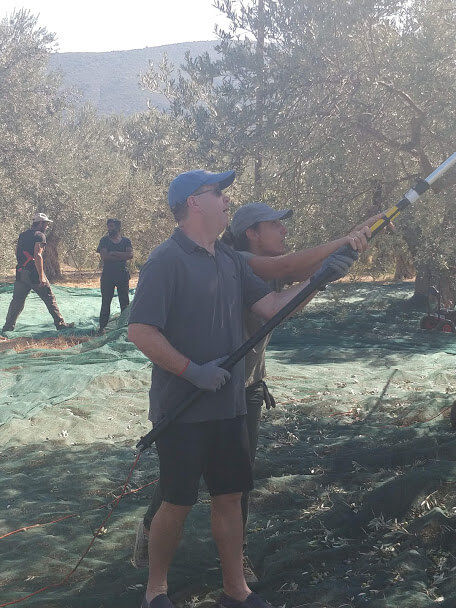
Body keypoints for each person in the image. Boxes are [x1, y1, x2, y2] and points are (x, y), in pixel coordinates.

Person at [127, 169, 359, 608]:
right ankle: (155, 590)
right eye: (219, 194)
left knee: (229, 498)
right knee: (176, 501)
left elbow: (271, 306)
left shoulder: (230, 262)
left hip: (231, 405)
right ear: (194, 202)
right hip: (184, 406)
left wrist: (317, 281)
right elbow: (140, 330)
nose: (226, 202)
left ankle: (236, 591)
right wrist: (192, 370)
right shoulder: (164, 261)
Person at [2, 213, 74, 334]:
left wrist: (22, 265)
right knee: (50, 298)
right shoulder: (40, 236)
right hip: (34, 273)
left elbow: (17, 251)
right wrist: (41, 277)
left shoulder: (22, 235)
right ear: (40, 223)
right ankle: (60, 324)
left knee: (17, 301)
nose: (47, 226)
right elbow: (38, 255)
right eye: (45, 224)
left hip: (20, 272)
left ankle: (8, 327)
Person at [96, 219, 133, 334]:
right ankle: (102, 328)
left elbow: (130, 255)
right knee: (106, 302)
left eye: (111, 226)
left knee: (125, 302)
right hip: (108, 276)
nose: (109, 229)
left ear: (118, 227)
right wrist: (122, 256)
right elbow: (105, 257)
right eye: (108, 226)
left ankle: (125, 327)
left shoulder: (126, 241)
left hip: (122, 275)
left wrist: (114, 253)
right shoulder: (104, 240)